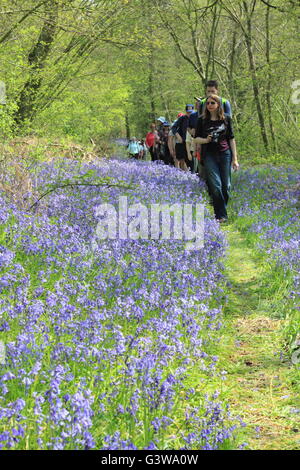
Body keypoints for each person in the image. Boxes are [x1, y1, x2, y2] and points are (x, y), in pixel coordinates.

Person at [194, 94, 239, 223]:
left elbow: (231, 139)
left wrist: (235, 159)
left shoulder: (226, 119)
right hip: (209, 155)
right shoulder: (201, 120)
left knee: (226, 186)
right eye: (207, 103)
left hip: (225, 154)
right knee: (216, 185)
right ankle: (221, 215)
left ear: (218, 105)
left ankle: (221, 209)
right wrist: (206, 140)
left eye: (212, 103)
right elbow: (196, 138)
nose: (209, 105)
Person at [171, 105, 194, 171]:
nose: (189, 114)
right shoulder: (182, 118)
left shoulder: (195, 117)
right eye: (188, 112)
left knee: (193, 160)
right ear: (186, 112)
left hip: (193, 142)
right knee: (185, 159)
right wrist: (178, 136)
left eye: (191, 112)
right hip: (184, 142)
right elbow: (174, 127)